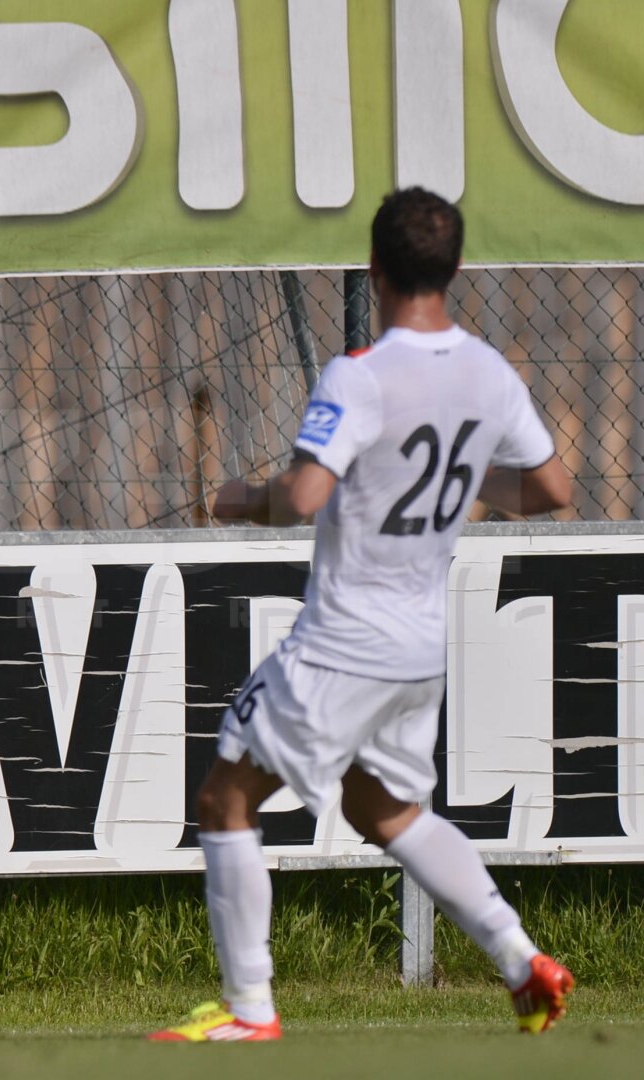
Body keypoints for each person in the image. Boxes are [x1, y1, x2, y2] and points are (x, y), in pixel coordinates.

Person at [150, 187, 575, 1042]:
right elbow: (553, 488)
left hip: (344, 643)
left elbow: (305, 495)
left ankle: (250, 1010)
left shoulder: (362, 372)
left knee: (226, 798)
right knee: (382, 811)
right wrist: (466, 493)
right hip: (420, 650)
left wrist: (236, 500)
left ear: (375, 268)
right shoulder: (490, 373)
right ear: (452, 272)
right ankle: (521, 957)